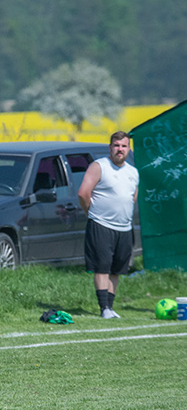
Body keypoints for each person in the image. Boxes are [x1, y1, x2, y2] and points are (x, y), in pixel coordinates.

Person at [78, 131, 139, 319]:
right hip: (101, 224)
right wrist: (91, 213)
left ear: (128, 148)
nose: (120, 149)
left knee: (117, 269)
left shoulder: (133, 172)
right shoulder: (99, 166)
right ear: (110, 147)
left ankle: (110, 308)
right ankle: (103, 307)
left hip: (124, 228)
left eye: (124, 146)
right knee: (102, 267)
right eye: (116, 145)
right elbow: (83, 193)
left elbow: (132, 197)